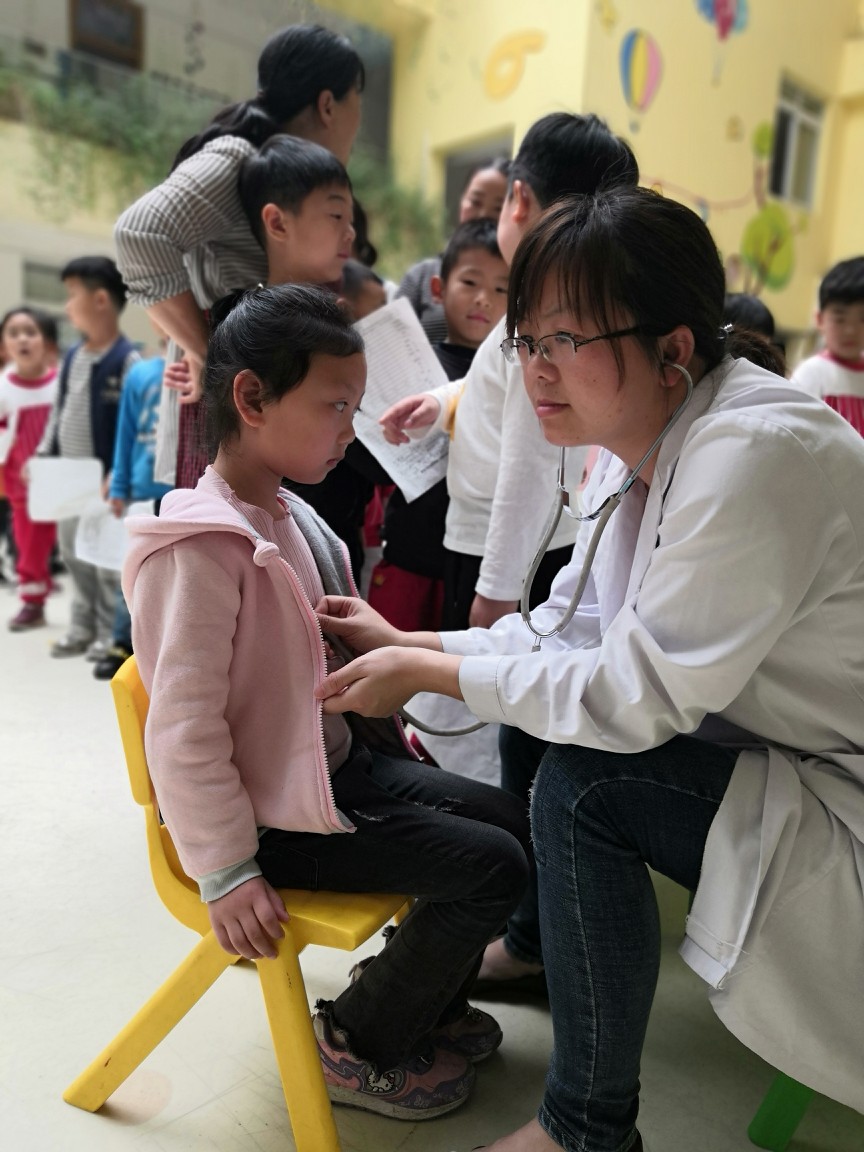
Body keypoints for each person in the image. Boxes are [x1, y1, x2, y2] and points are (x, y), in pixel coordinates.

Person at [314, 187, 864, 1151]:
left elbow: (636, 694)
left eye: (566, 340)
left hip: (838, 786)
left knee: (585, 785)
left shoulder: (755, 455)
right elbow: (566, 629)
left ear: (673, 347)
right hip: (773, 745)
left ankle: (585, 1131)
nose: (536, 370)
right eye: (526, 340)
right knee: (545, 729)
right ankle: (534, 948)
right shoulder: (638, 437)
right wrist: (414, 643)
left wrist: (428, 674)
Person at [122, 283, 531, 1122]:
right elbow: (183, 730)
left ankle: (417, 998)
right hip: (273, 822)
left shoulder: (288, 514)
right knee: (490, 866)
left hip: (335, 773)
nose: (352, 426)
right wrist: (226, 870)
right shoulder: (198, 549)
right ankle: (357, 1038)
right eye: (336, 405)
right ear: (252, 399)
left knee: (511, 823)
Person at [381, 114, 639, 633]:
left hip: (503, 554)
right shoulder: (560, 308)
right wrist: (441, 404)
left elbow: (532, 468)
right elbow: (497, 389)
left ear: (518, 199)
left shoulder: (538, 322)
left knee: (486, 673)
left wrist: (496, 592)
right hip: (524, 546)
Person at [114, 23, 365, 490]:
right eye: (358, 103)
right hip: (234, 413)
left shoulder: (291, 176)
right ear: (329, 105)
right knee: (223, 530)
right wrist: (208, 355)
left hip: (262, 408)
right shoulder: (239, 158)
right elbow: (139, 235)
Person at [369, 217, 509, 634]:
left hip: (477, 564)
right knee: (388, 660)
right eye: (470, 282)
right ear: (437, 288)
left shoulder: (514, 377)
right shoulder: (409, 365)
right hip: (410, 553)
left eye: (501, 289)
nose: (484, 299)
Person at [35, 257, 138, 659]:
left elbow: (130, 427)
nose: (66, 305)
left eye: (72, 295)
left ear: (100, 300)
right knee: (72, 553)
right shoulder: (73, 357)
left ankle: (107, 633)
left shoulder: (127, 360)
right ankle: (80, 626)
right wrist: (43, 455)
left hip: (105, 480)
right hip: (67, 477)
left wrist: (120, 473)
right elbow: (58, 412)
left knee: (106, 558)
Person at [94, 330, 173, 680]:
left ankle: (163, 647)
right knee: (130, 569)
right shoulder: (141, 373)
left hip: (184, 489)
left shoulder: (205, 368)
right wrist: (119, 485)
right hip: (141, 489)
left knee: (173, 575)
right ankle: (121, 640)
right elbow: (125, 434)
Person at [397, 158, 510, 343]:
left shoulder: (520, 281)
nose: (483, 214)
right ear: (439, 289)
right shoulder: (421, 275)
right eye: (475, 201)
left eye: (498, 208)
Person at [0, 307, 59, 630]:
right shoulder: (3, 387)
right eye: (14, 333)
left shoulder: (60, 384)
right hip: (21, 482)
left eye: (30, 332)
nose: (22, 339)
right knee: (29, 542)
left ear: (46, 342)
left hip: (63, 477)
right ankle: (32, 600)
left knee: (73, 542)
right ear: (3, 345)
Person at [791, 255, 864, 433]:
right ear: (820, 320)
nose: (850, 331)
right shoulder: (811, 374)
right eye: (840, 319)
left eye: (863, 319)